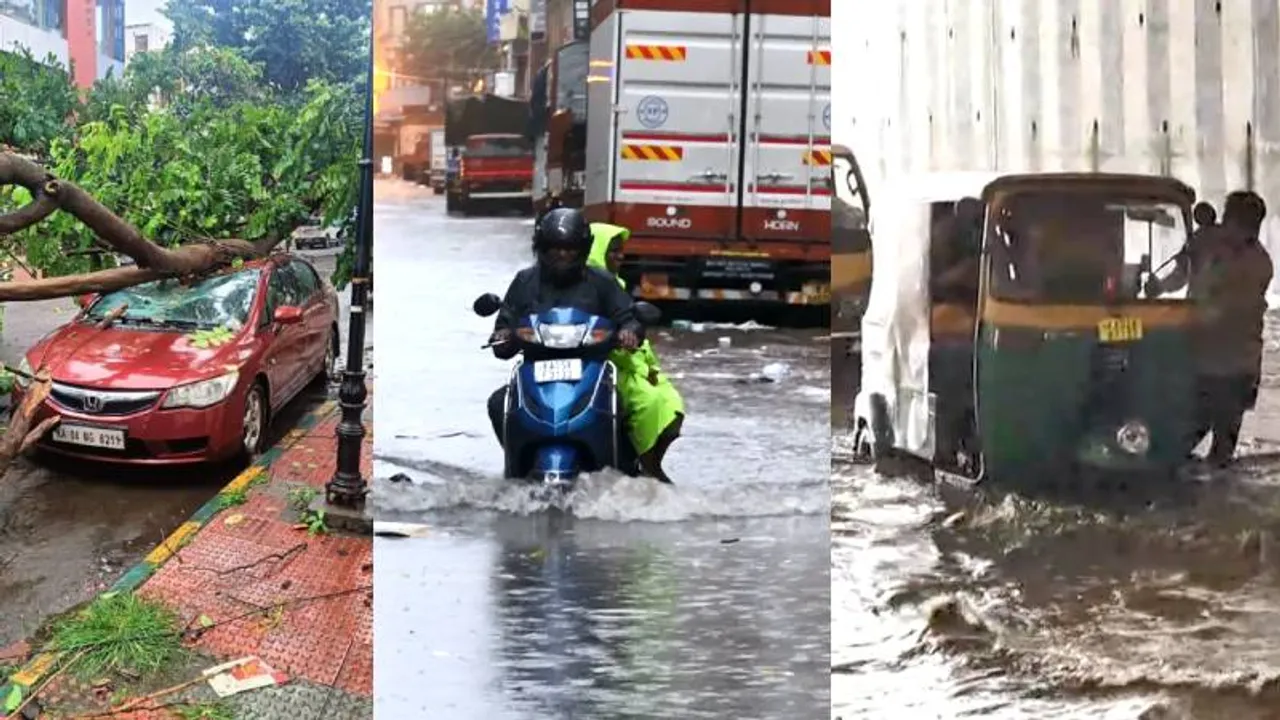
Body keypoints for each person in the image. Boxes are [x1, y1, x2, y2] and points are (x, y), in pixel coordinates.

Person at [486, 208, 644, 460]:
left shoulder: (602, 281)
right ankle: (517, 463)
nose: (562, 254)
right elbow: (505, 324)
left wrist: (629, 331)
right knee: (498, 403)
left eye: (570, 249)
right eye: (555, 248)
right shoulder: (525, 281)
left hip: (592, 372)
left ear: (582, 250)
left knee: (629, 408)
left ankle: (626, 469)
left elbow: (628, 317)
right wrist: (503, 335)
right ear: (542, 248)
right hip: (535, 371)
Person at [587, 222, 686, 483]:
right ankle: (648, 463)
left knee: (672, 403)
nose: (620, 256)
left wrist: (650, 369)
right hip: (605, 368)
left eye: (621, 250)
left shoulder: (616, 286)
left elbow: (637, 339)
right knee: (650, 402)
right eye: (613, 251)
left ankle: (646, 464)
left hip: (631, 366)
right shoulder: (585, 291)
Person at [1187, 191, 1272, 466]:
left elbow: (1209, 295)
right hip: (1231, 364)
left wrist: (1204, 244)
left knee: (1208, 440)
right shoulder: (1219, 246)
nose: (1224, 226)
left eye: (1229, 222)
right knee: (1194, 439)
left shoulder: (1255, 263)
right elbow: (1182, 274)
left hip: (1226, 365)